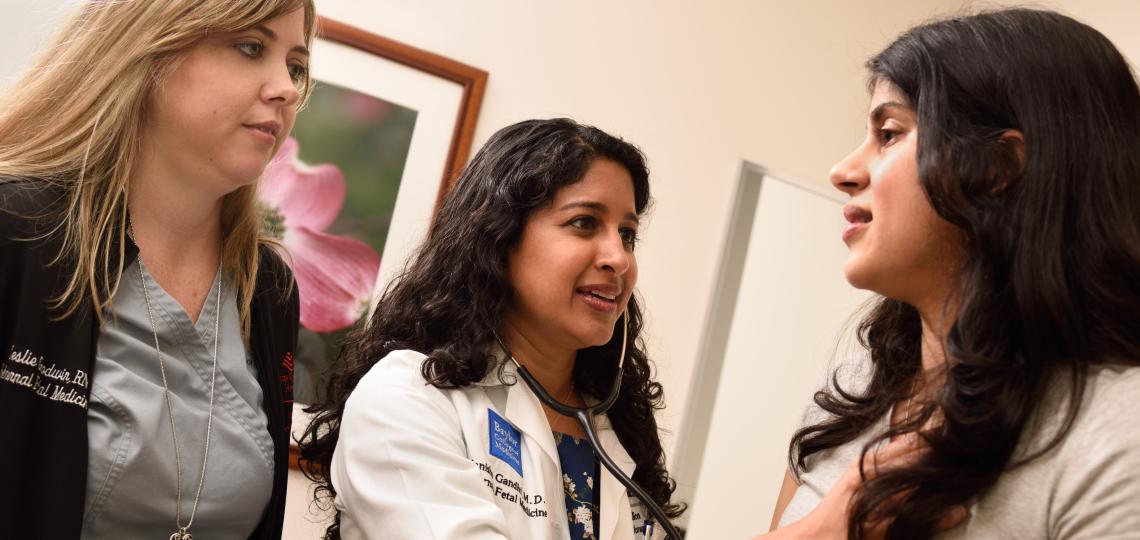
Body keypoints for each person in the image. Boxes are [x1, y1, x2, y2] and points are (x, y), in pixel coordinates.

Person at [770, 8, 1140, 539]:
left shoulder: (1119, 436)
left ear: (999, 169)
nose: (844, 171)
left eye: (890, 133)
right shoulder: (850, 391)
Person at [0, 0, 314, 538]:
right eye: (250, 47)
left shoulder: (268, 287)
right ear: (149, 50)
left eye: (296, 66)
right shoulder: (17, 229)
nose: (286, 88)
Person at [298, 118, 683, 539]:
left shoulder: (614, 432)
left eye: (627, 234)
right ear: (499, 237)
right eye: (584, 223)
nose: (619, 258)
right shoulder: (406, 397)